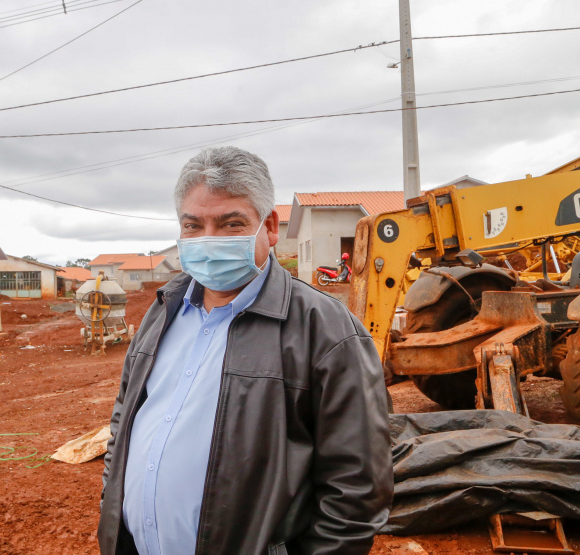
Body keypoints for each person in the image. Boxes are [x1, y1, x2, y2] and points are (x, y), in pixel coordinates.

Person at [98, 146, 392, 555]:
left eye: (230, 223)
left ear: (269, 226)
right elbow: (123, 420)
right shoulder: (163, 310)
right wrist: (112, 504)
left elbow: (356, 489)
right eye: (193, 226)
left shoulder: (325, 330)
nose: (208, 241)